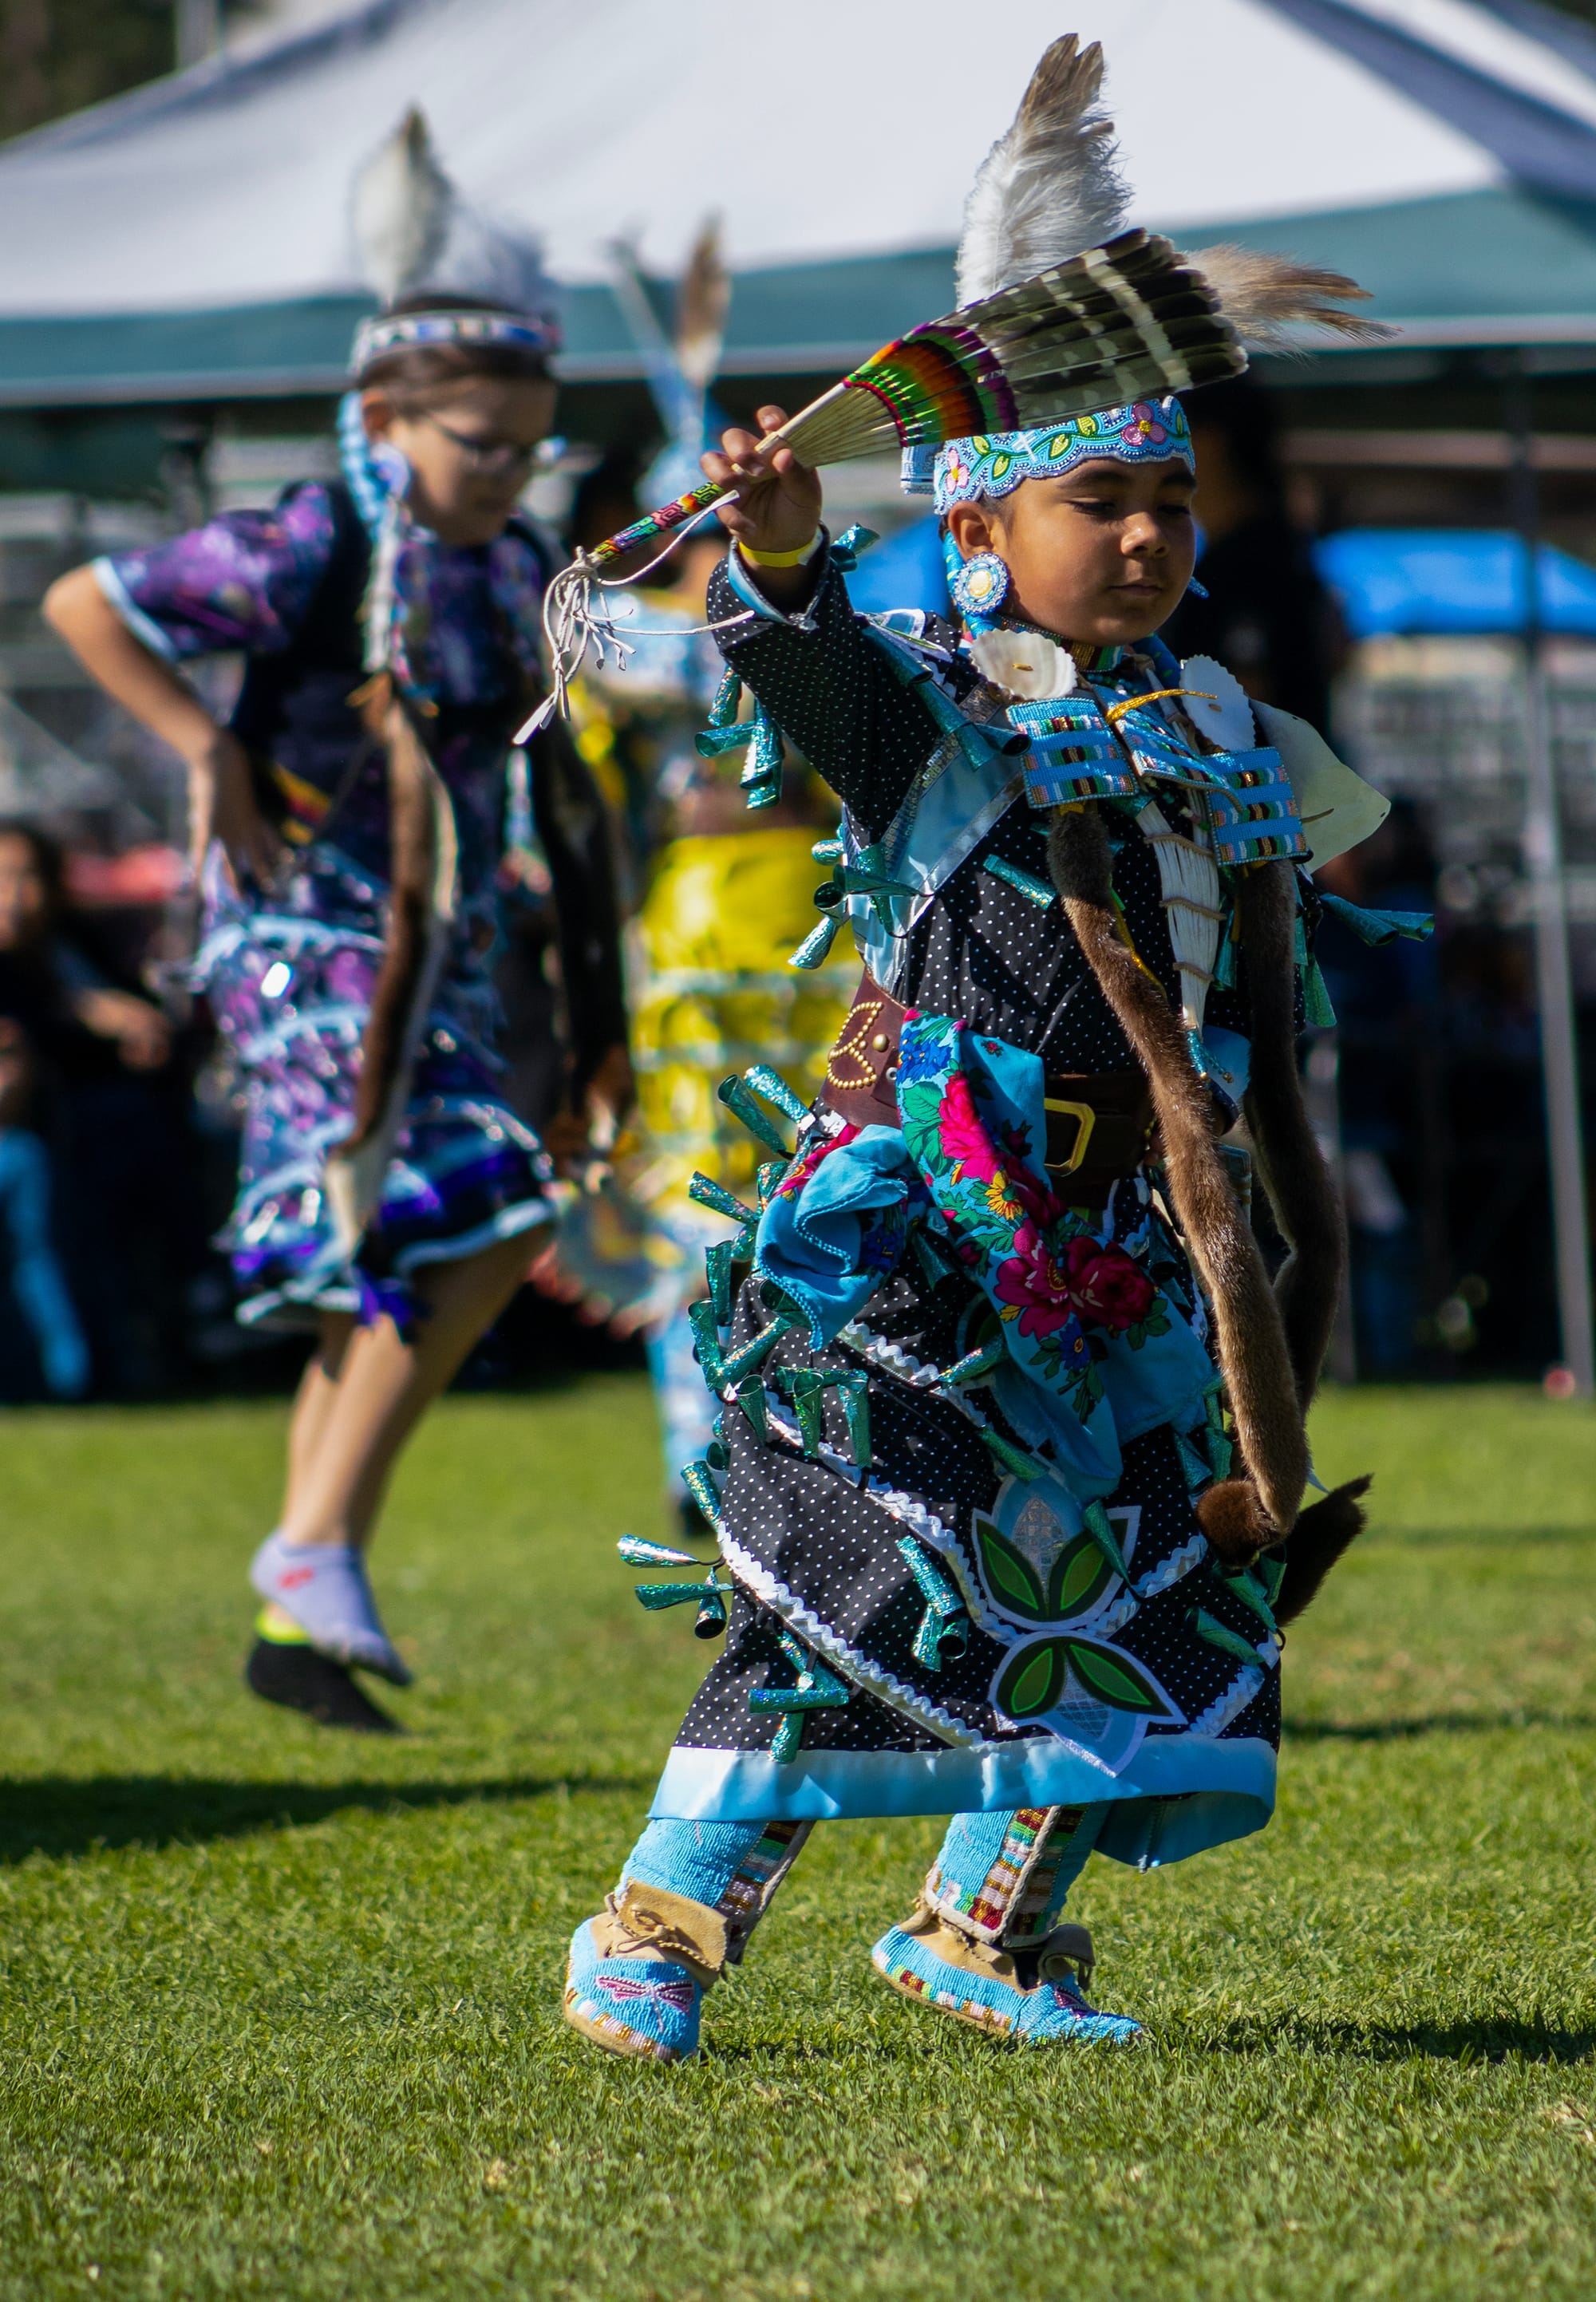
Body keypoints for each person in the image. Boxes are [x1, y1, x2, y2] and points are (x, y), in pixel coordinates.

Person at [561, 35, 1391, 2061]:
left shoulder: (1225, 734)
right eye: (1091, 500)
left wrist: (1289, 1246)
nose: (1142, 536)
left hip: (1136, 1243)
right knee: (861, 1561)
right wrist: (773, 557)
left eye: (1169, 501)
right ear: (973, 533)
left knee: (1143, 1582)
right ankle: (664, 1918)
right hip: (925, 1227)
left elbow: (1269, 1003)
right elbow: (820, 688)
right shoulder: (941, 718)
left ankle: (988, 1926)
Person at [45, 113, 627, 1731]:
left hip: (428, 945)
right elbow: (86, 605)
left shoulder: (509, 560)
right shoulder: (317, 535)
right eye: (474, 443)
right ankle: (313, 1545)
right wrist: (206, 747)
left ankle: (306, 1589)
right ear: (384, 414)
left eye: (525, 446)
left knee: (399, 1241)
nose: (504, 473)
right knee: (483, 1198)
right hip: (304, 928)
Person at [539, 227, 855, 1529]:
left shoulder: (792, 623)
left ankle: (819, 1430)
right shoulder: (638, 637)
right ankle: (697, 1453)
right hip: (694, 930)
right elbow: (587, 647)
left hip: (817, 924)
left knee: (825, 1181)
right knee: (690, 1194)